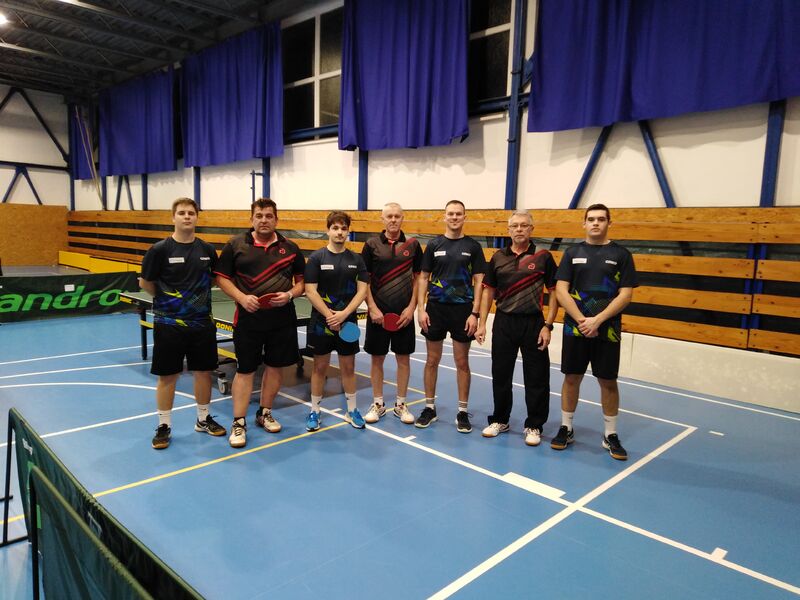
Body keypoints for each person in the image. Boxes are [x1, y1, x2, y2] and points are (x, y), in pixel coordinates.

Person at [215, 198, 305, 449]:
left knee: (275, 367)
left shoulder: (291, 247)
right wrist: (242, 298)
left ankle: (265, 412)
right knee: (245, 370)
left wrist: (289, 294)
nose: (264, 220)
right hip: (248, 319)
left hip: (282, 319)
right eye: (259, 216)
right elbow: (221, 278)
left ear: (276, 219)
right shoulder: (235, 245)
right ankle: (238, 422)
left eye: (268, 216)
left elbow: (302, 283)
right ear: (251, 219)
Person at [552, 203, 638, 460]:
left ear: (609, 223)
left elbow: (626, 294)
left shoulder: (621, 255)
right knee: (571, 377)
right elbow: (561, 290)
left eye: (601, 219)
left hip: (607, 329)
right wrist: (582, 320)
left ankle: (610, 434)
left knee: (608, 381)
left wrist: (597, 320)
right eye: (591, 219)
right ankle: (566, 428)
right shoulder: (572, 252)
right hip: (575, 327)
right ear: (584, 223)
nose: (596, 223)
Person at [139, 197, 226, 449]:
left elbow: (213, 279)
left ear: (197, 217)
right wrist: (169, 302)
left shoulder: (207, 250)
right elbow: (146, 283)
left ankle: (203, 419)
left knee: (203, 373)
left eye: (191, 212)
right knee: (168, 376)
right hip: (169, 324)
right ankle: (164, 425)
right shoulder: (159, 250)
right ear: (173, 217)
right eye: (181, 213)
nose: (187, 216)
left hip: (202, 323)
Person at [476, 211, 559, 446]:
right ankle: (500, 420)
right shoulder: (498, 257)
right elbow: (489, 292)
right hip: (504, 322)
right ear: (508, 230)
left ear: (531, 229)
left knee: (537, 377)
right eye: (515, 226)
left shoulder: (543, 256)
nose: (519, 229)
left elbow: (554, 292)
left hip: (534, 323)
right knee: (501, 374)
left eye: (524, 225)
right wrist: (482, 323)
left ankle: (534, 425)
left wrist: (548, 325)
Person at [416, 200, 486, 432]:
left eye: (458, 214)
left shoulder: (473, 246)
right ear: (444, 217)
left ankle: (462, 412)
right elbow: (423, 277)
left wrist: (475, 313)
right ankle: (429, 408)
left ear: (464, 217)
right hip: (435, 308)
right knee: (431, 360)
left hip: (463, 310)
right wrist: (421, 309)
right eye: (451, 214)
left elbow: (479, 281)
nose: (454, 217)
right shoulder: (434, 245)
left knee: (462, 362)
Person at [304, 211, 369, 431]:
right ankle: (315, 411)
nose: (340, 232)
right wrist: (330, 315)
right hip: (321, 323)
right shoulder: (316, 258)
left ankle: (352, 410)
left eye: (343, 228)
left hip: (348, 321)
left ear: (348, 232)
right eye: (335, 228)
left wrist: (344, 313)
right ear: (328, 231)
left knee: (348, 368)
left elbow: (362, 290)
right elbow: (310, 291)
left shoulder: (356, 260)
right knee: (319, 367)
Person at [361, 202, 423, 425]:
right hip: (378, 314)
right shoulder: (371, 245)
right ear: (383, 219)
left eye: (397, 216)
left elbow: (419, 279)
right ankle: (378, 403)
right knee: (377, 359)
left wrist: (412, 307)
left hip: (404, 315)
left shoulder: (413, 245)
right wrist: (372, 308)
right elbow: (364, 280)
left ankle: (401, 404)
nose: (393, 220)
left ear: (402, 218)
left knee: (403, 359)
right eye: (389, 216)